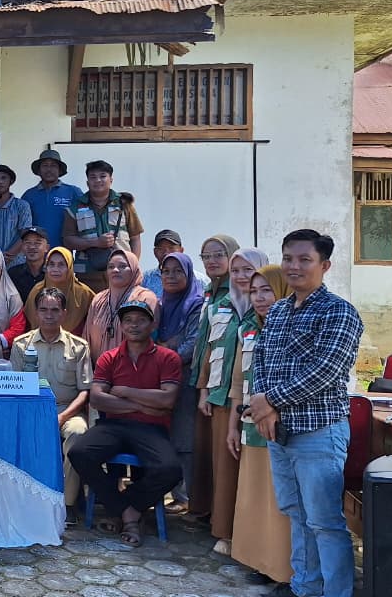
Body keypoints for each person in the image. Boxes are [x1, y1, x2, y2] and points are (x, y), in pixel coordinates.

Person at [249, 230, 362, 597]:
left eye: (304, 260)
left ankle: (336, 592)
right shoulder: (279, 309)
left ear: (324, 265)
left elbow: (325, 370)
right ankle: (304, 587)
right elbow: (262, 360)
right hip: (280, 433)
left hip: (318, 434)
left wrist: (270, 402)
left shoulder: (339, 312)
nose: (294, 267)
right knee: (297, 515)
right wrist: (264, 406)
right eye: (288, 259)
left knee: (326, 522)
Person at [68, 300, 182, 548]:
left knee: (172, 469)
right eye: (128, 320)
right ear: (121, 326)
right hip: (115, 425)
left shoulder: (167, 358)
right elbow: (98, 398)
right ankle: (128, 511)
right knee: (79, 452)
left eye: (140, 320)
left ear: (152, 324)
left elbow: (168, 399)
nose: (134, 325)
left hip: (151, 428)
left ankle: (125, 508)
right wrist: (142, 404)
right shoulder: (110, 358)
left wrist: (125, 391)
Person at [198, 246, 268, 555]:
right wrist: (202, 390)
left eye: (247, 271)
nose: (240, 277)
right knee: (225, 466)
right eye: (236, 271)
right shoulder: (219, 304)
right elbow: (207, 350)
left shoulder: (267, 309)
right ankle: (225, 531)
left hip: (256, 401)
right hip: (221, 395)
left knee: (252, 470)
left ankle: (251, 536)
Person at [228, 265, 294, 589]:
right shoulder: (248, 328)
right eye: (254, 292)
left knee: (279, 501)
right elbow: (238, 382)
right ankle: (261, 561)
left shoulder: (291, 328)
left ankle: (285, 570)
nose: (259, 298)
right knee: (255, 497)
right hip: (250, 424)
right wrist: (231, 426)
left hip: (280, 427)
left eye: (267, 290)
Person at [11, 287, 90, 515]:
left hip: (67, 411)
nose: (49, 315)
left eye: (55, 310)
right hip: (30, 411)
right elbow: (14, 388)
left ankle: (65, 504)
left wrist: (62, 417)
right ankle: (23, 501)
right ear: (36, 313)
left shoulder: (79, 346)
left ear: (64, 313)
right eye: (43, 309)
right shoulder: (20, 345)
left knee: (78, 434)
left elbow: (85, 391)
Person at [187, 233, 241, 525]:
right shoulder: (211, 291)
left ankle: (224, 524)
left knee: (224, 456)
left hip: (224, 387)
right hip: (207, 383)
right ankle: (205, 511)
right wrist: (201, 386)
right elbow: (206, 342)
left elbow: (229, 344)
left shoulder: (239, 293)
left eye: (218, 254)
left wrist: (209, 388)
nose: (211, 261)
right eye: (206, 256)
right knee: (206, 452)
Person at [155, 252, 206, 514]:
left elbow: (190, 347)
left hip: (185, 380)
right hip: (163, 377)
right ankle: (174, 492)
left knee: (184, 438)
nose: (171, 276)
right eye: (166, 271)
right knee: (166, 434)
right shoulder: (162, 304)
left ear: (188, 274)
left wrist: (162, 352)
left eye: (178, 271)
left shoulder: (196, 304)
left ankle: (186, 496)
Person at [63, 160, 144, 291]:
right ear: (87, 182)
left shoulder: (124, 204)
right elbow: (68, 240)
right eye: (93, 177)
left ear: (111, 180)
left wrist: (133, 266)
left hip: (122, 273)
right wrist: (95, 242)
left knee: (122, 310)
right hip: (88, 276)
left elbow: (135, 238)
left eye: (102, 176)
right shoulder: (75, 207)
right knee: (92, 310)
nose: (98, 180)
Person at [83, 249, 158, 360]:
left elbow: (149, 338)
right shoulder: (98, 300)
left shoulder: (145, 298)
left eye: (122, 266)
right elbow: (86, 338)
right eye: (111, 267)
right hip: (98, 371)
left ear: (133, 269)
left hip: (133, 370)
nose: (115, 270)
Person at [9, 247, 95, 340]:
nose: (55, 269)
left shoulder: (84, 293)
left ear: (69, 267)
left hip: (74, 350)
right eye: (51, 264)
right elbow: (28, 325)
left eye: (61, 265)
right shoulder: (37, 290)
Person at [21, 149, 84, 248]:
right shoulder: (28, 195)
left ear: (60, 170)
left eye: (53, 166)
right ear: (39, 170)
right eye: (45, 165)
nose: (49, 169)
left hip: (63, 254)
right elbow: (23, 228)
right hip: (36, 254)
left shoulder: (73, 192)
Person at [0, 164, 33, 267]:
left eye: (4, 178)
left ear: (10, 181)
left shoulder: (21, 205)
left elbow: (25, 235)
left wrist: (8, 255)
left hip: (16, 263)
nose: (0, 182)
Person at [142, 229, 207, 300]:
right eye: (161, 249)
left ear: (181, 250)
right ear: (155, 252)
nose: (166, 253)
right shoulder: (145, 279)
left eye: (171, 248)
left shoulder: (200, 279)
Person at [8, 225, 50, 303]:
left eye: (37, 243)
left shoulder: (52, 273)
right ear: (22, 247)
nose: (32, 247)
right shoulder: (13, 273)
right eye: (27, 243)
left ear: (47, 248)